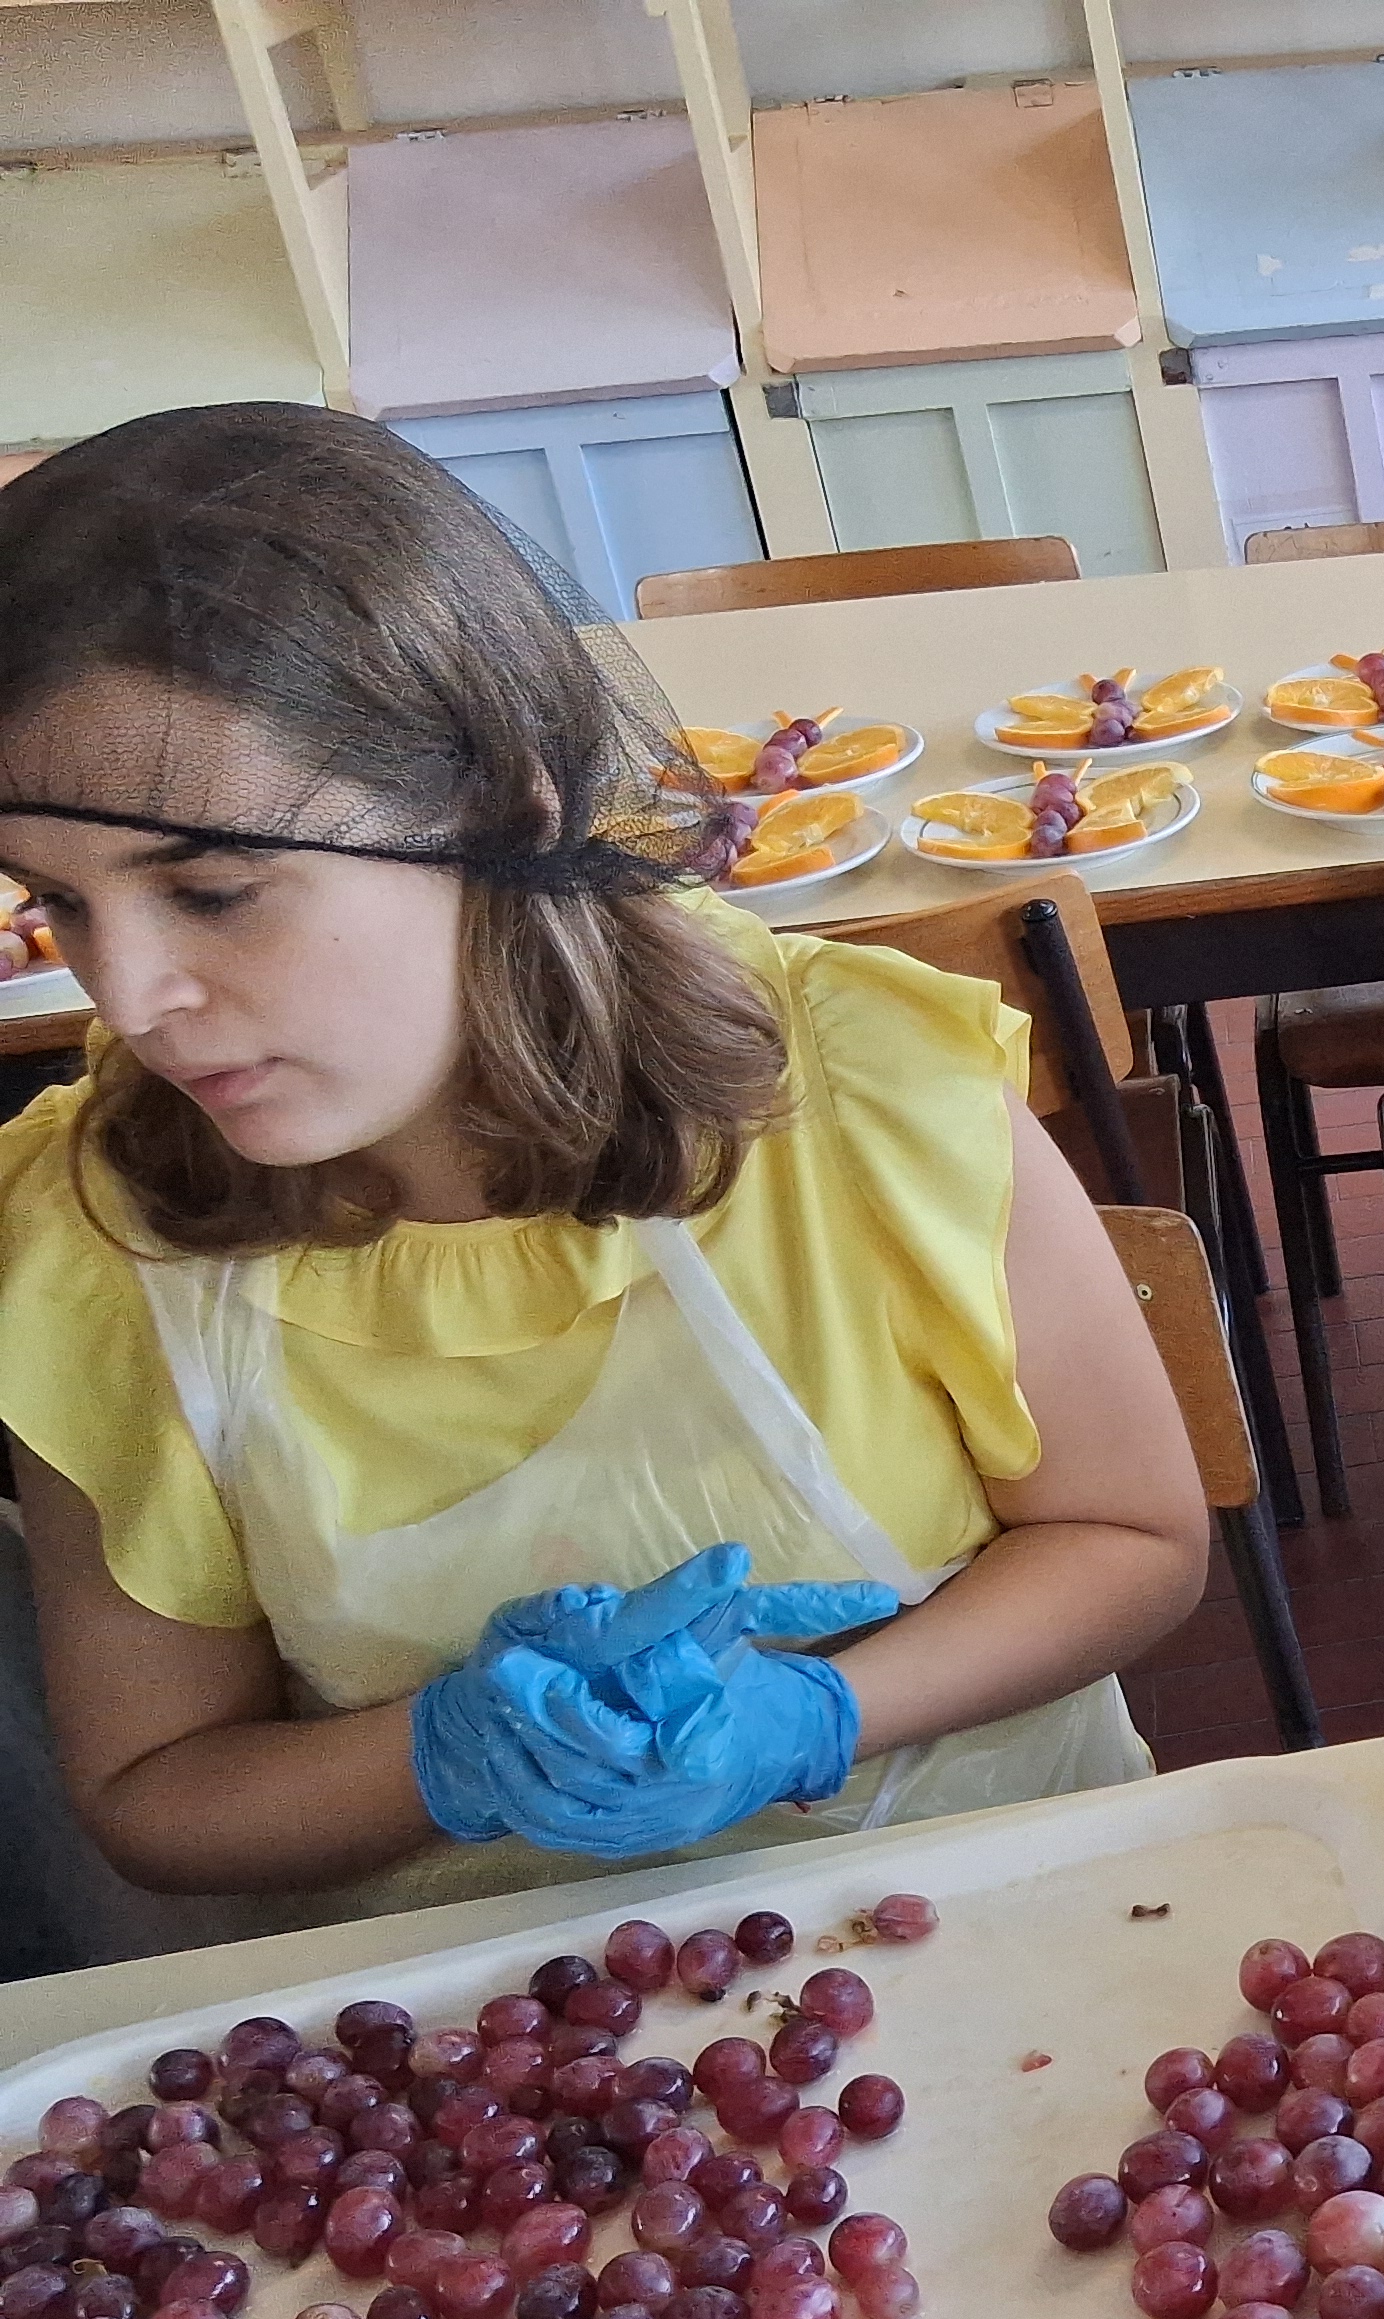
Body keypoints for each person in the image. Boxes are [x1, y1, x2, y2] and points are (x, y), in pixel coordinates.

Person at [0, 404, 1211, 1918]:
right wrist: (442, 1761)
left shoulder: (855, 1092)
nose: (127, 999)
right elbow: (153, 1792)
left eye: (218, 893)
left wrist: (817, 1718)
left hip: (993, 1911)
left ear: (502, 808)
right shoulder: (100, 1240)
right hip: (487, 2034)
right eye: (59, 901)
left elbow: (1132, 1540)